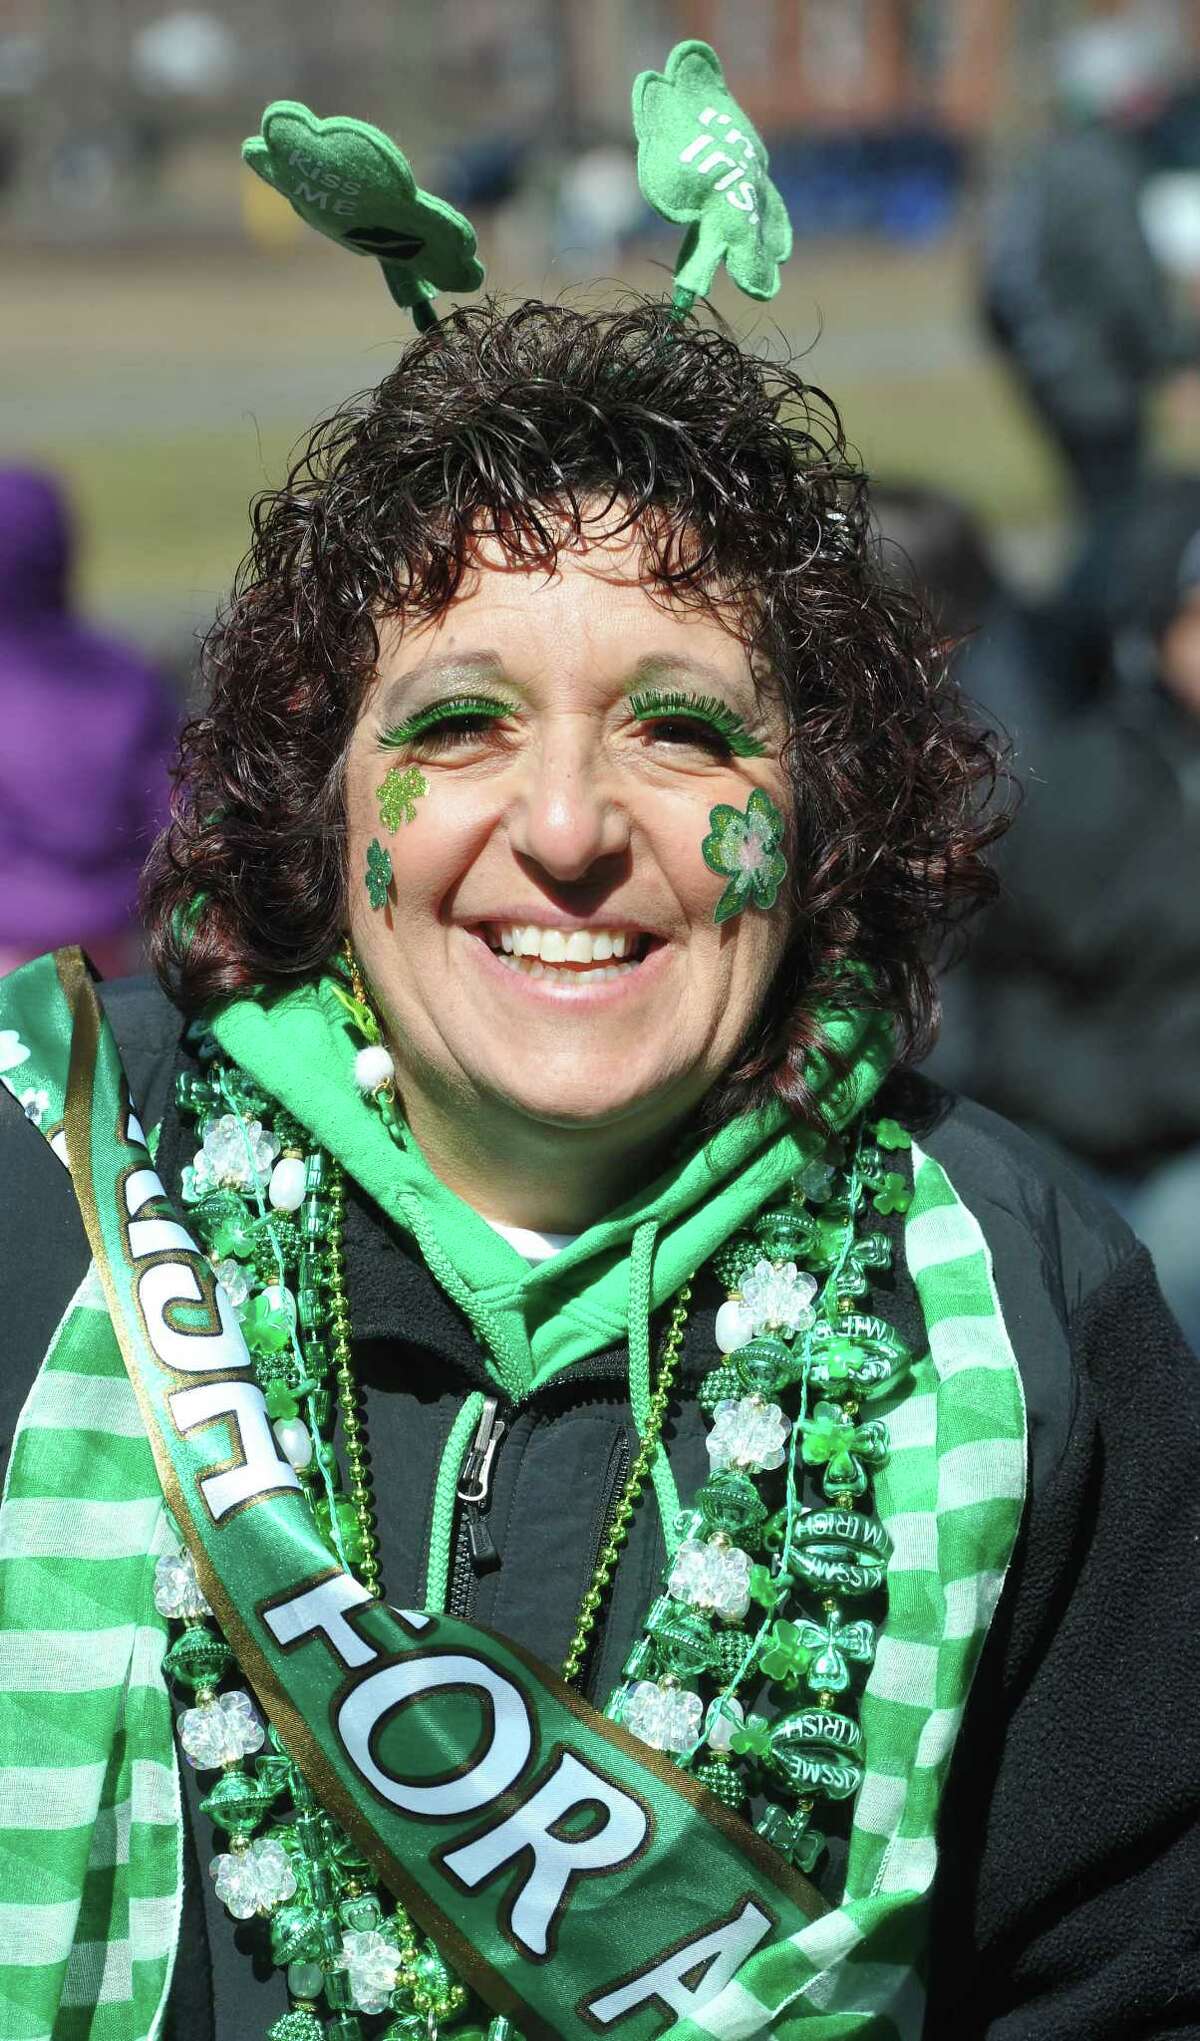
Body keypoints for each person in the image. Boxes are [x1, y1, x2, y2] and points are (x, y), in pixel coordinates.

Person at [2, 58, 1198, 2039]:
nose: (567, 826)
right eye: (462, 724)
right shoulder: (43, 1199)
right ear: (325, 796)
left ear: (825, 807)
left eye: (684, 727)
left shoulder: (1037, 1308)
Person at [0, 465, 178, 977]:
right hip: (101, 941)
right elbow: (170, 808)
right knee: (92, 1053)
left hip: (9, 936)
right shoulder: (123, 677)